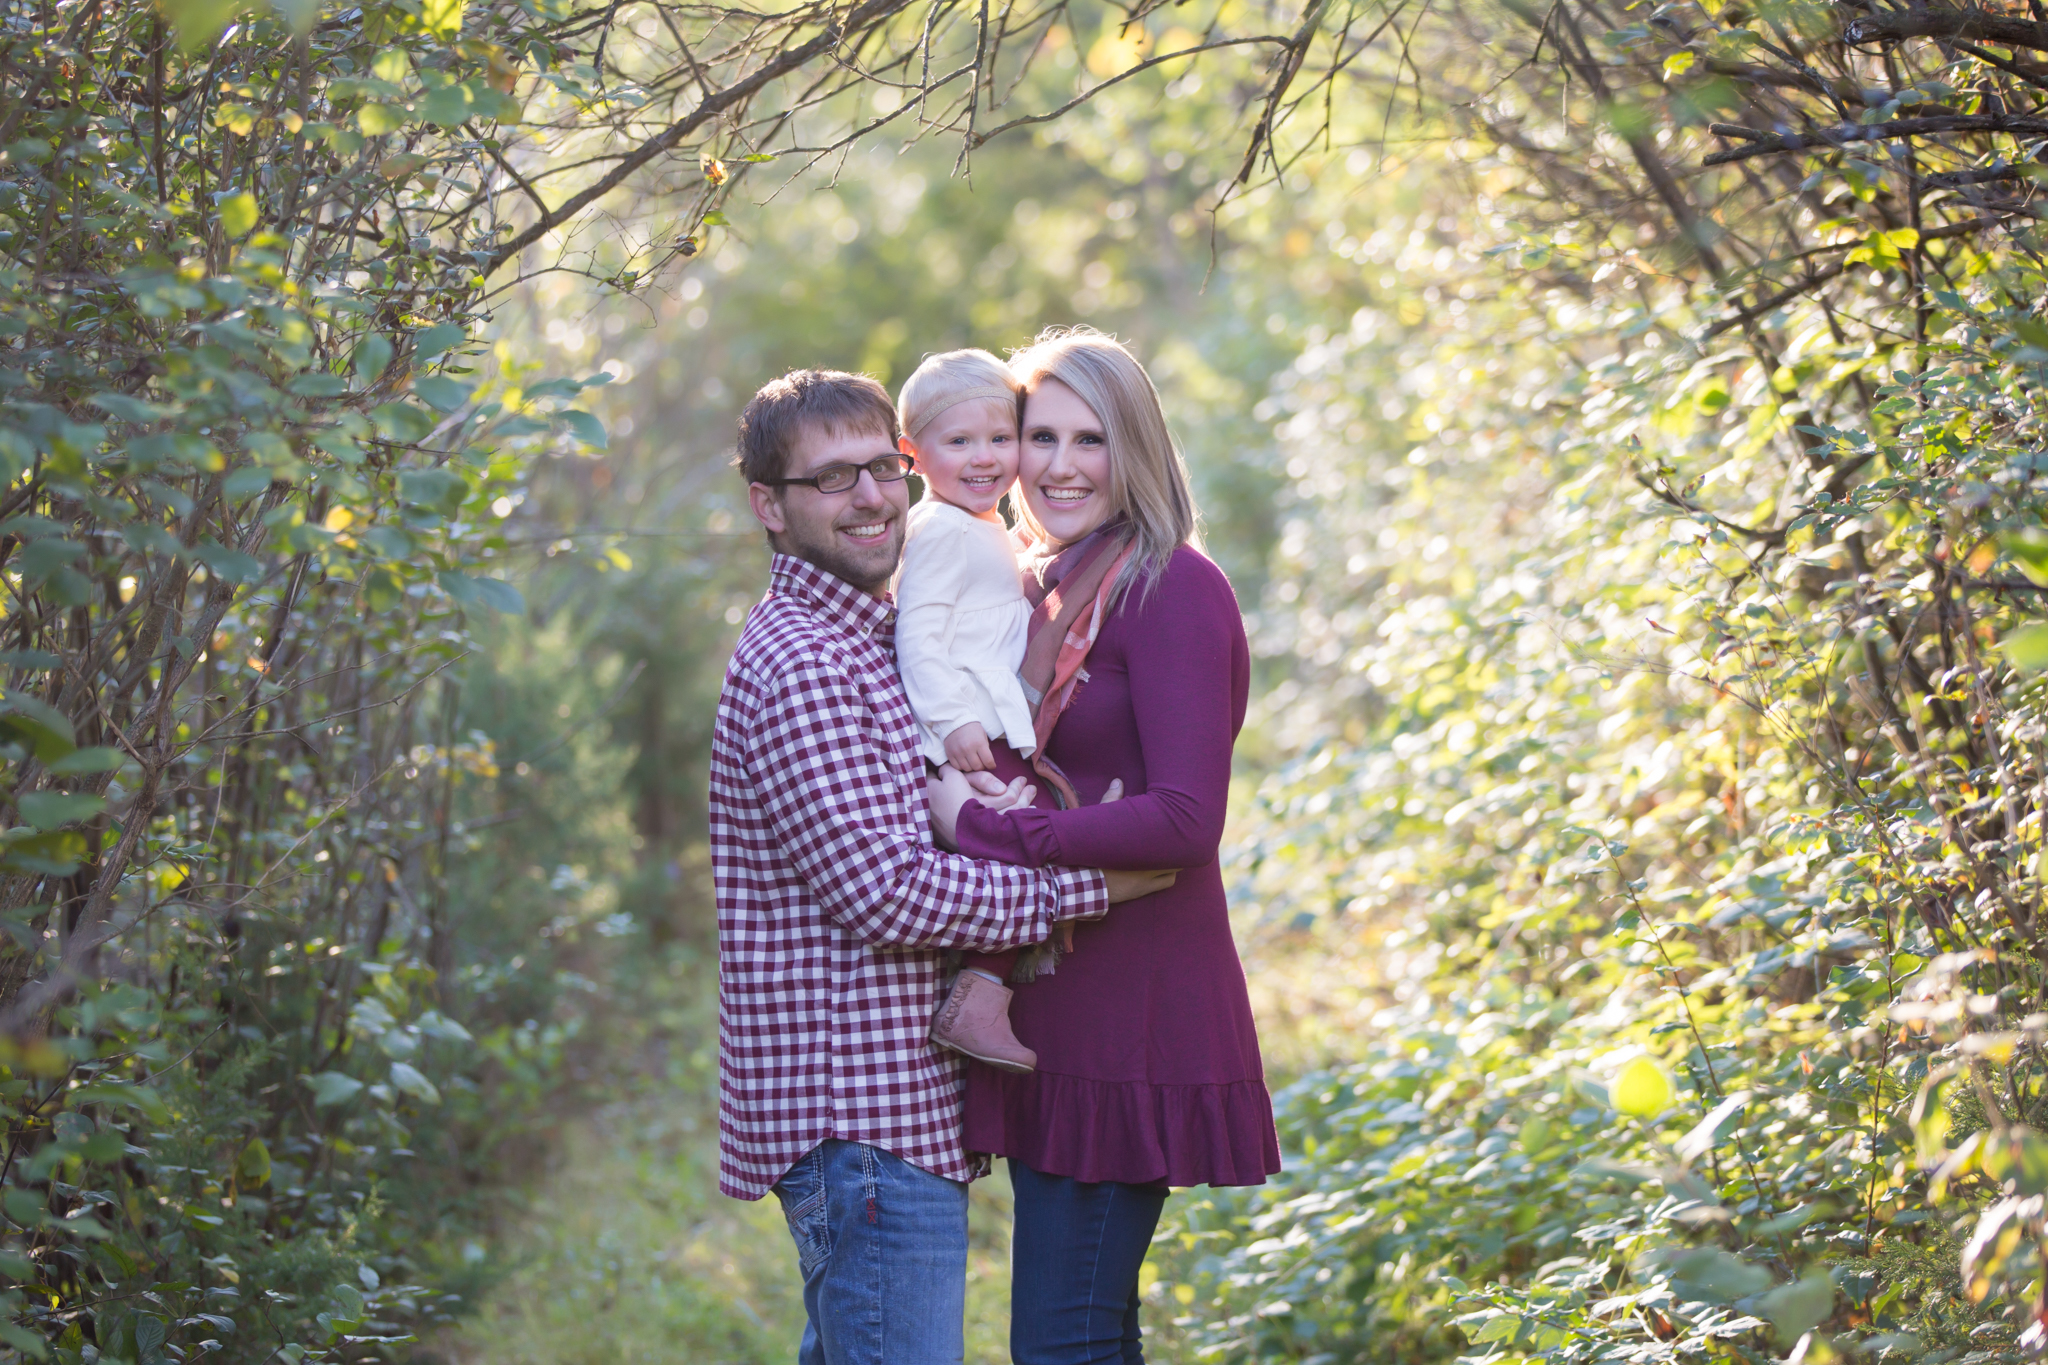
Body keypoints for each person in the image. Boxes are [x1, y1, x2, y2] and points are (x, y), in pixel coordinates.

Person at [707, 367, 1174, 1365]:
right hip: (858, 1116)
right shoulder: (805, 665)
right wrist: (1088, 887)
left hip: (888, 1114)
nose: (871, 496)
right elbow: (887, 892)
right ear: (769, 506)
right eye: (834, 480)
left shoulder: (866, 633)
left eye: (881, 467)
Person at [929, 329, 1283, 1364]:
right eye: (1040, 436)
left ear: (1135, 451)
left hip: (1130, 1011)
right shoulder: (1042, 585)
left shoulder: (1171, 586)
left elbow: (1183, 815)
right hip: (1053, 996)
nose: (1059, 466)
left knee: (1061, 1340)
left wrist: (989, 827)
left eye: (1091, 439)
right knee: (1088, 1332)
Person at [893, 349, 1055, 1075]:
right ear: (913, 454)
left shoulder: (987, 525)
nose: (985, 457)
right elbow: (917, 633)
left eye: (1000, 437)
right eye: (959, 442)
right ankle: (979, 995)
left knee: (1028, 833)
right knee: (1019, 840)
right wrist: (952, 723)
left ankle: (988, 983)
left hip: (993, 722)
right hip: (972, 730)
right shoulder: (939, 530)